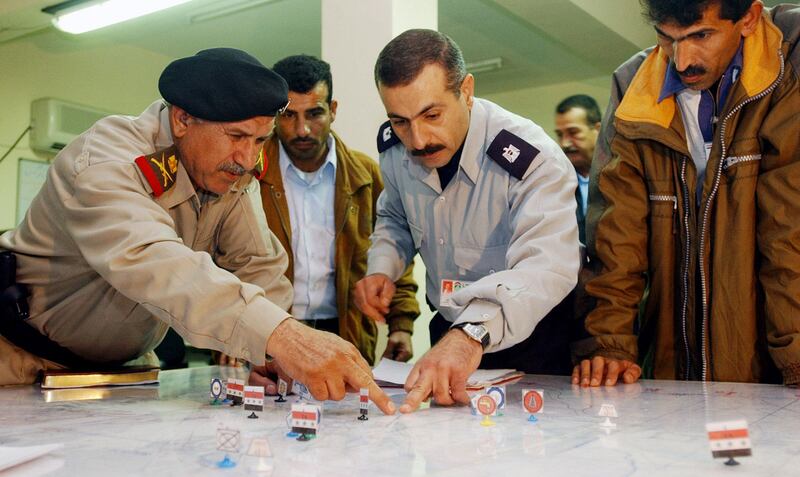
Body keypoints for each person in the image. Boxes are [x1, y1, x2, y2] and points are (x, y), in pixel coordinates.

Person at [0, 48, 395, 414]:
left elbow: (256, 263)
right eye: (237, 137)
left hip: (126, 373)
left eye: (260, 140)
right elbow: (152, 261)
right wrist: (284, 336)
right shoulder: (108, 158)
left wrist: (271, 356)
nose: (248, 158)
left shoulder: (231, 173)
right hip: (23, 363)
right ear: (182, 120)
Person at [573, 1, 800, 387]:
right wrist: (609, 343)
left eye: (701, 36)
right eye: (667, 38)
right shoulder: (632, 86)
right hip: (672, 361)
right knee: (705, 449)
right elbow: (614, 237)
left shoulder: (791, 54)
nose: (682, 61)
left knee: (758, 449)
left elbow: (790, 227)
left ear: (748, 17)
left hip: (774, 359)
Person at [354, 29, 580, 413]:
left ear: (467, 90)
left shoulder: (532, 157)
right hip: (450, 329)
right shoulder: (396, 149)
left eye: (432, 115)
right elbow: (394, 215)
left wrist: (471, 332)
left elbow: (547, 265)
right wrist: (382, 267)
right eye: (401, 121)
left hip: (533, 336)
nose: (418, 139)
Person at [259, 54, 419, 366]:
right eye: (289, 116)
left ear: (333, 110)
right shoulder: (251, 175)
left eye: (314, 113)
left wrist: (402, 325)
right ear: (274, 116)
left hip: (346, 335)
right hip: (268, 333)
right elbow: (224, 260)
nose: (302, 129)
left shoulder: (367, 176)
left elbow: (395, 248)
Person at [554, 94, 601, 246]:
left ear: (598, 130)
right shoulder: (554, 182)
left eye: (573, 132)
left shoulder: (623, 176)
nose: (565, 143)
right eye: (560, 135)